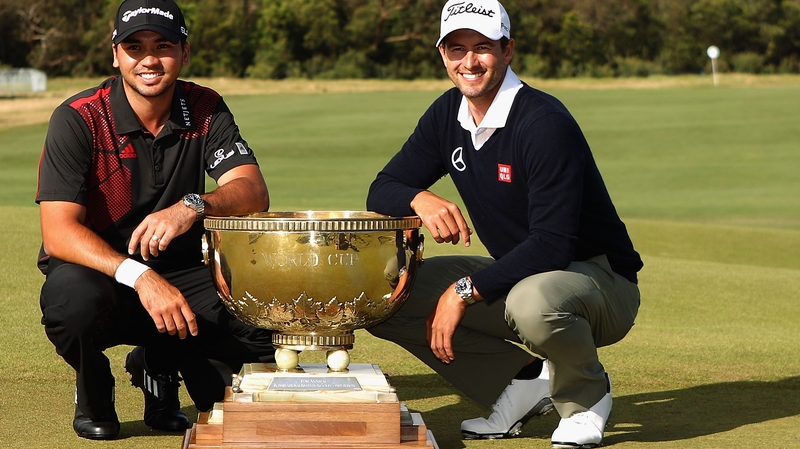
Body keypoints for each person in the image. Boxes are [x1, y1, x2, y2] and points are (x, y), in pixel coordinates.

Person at [365, 0, 643, 447]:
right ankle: (518, 385)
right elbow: (383, 188)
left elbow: (553, 245)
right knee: (390, 293)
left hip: (600, 281)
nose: (469, 62)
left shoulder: (543, 122)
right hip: (524, 275)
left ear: (508, 50)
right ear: (442, 55)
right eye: (456, 49)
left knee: (532, 302)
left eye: (482, 48)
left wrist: (462, 292)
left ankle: (585, 400)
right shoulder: (446, 114)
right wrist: (421, 197)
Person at [35, 0, 275, 440]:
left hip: (183, 274)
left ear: (184, 53)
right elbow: (59, 232)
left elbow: (252, 192)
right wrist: (141, 277)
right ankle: (94, 387)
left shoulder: (205, 107)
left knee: (262, 323)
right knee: (73, 303)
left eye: (163, 45)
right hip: (100, 274)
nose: (148, 59)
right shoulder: (79, 118)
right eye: (134, 46)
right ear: (115, 55)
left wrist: (192, 205)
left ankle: (158, 363)